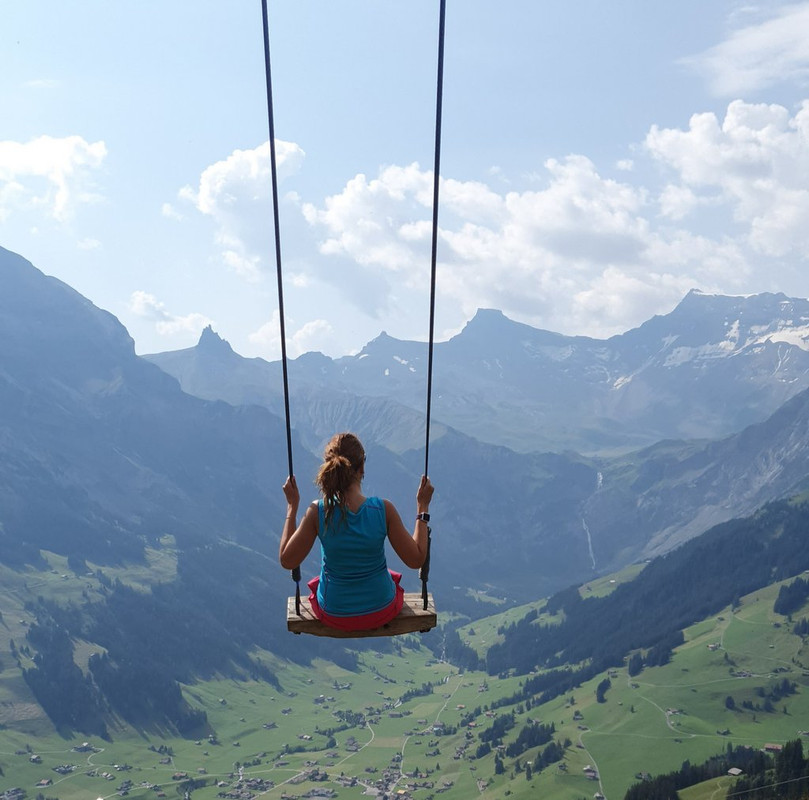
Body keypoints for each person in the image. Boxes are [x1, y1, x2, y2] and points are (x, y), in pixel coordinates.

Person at [280, 432, 434, 631]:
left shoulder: (317, 512)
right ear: (362, 468)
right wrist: (423, 507)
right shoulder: (383, 510)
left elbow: (287, 560)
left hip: (333, 610)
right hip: (381, 608)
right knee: (386, 576)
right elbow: (416, 559)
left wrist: (292, 507)